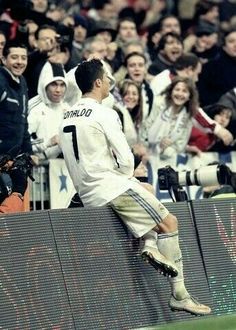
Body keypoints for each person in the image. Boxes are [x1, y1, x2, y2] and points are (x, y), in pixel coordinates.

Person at [60, 59, 211, 316]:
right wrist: (125, 175)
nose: (111, 81)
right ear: (98, 83)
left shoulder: (66, 115)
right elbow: (127, 160)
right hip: (109, 187)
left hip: (86, 190)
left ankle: (150, 245)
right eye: (107, 77)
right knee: (170, 222)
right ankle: (180, 295)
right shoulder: (105, 112)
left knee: (148, 190)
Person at [28, 61, 68, 160]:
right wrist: (48, 142)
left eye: (62, 85)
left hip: (61, 166)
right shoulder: (34, 108)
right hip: (37, 166)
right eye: (54, 84)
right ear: (45, 85)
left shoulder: (67, 109)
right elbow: (23, 142)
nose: (58, 90)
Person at [0, 40, 32, 157]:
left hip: (14, 157)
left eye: (24, 58)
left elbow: (24, 122)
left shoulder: (22, 82)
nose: (19, 62)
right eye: (14, 57)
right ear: (3, 60)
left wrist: (29, 152)